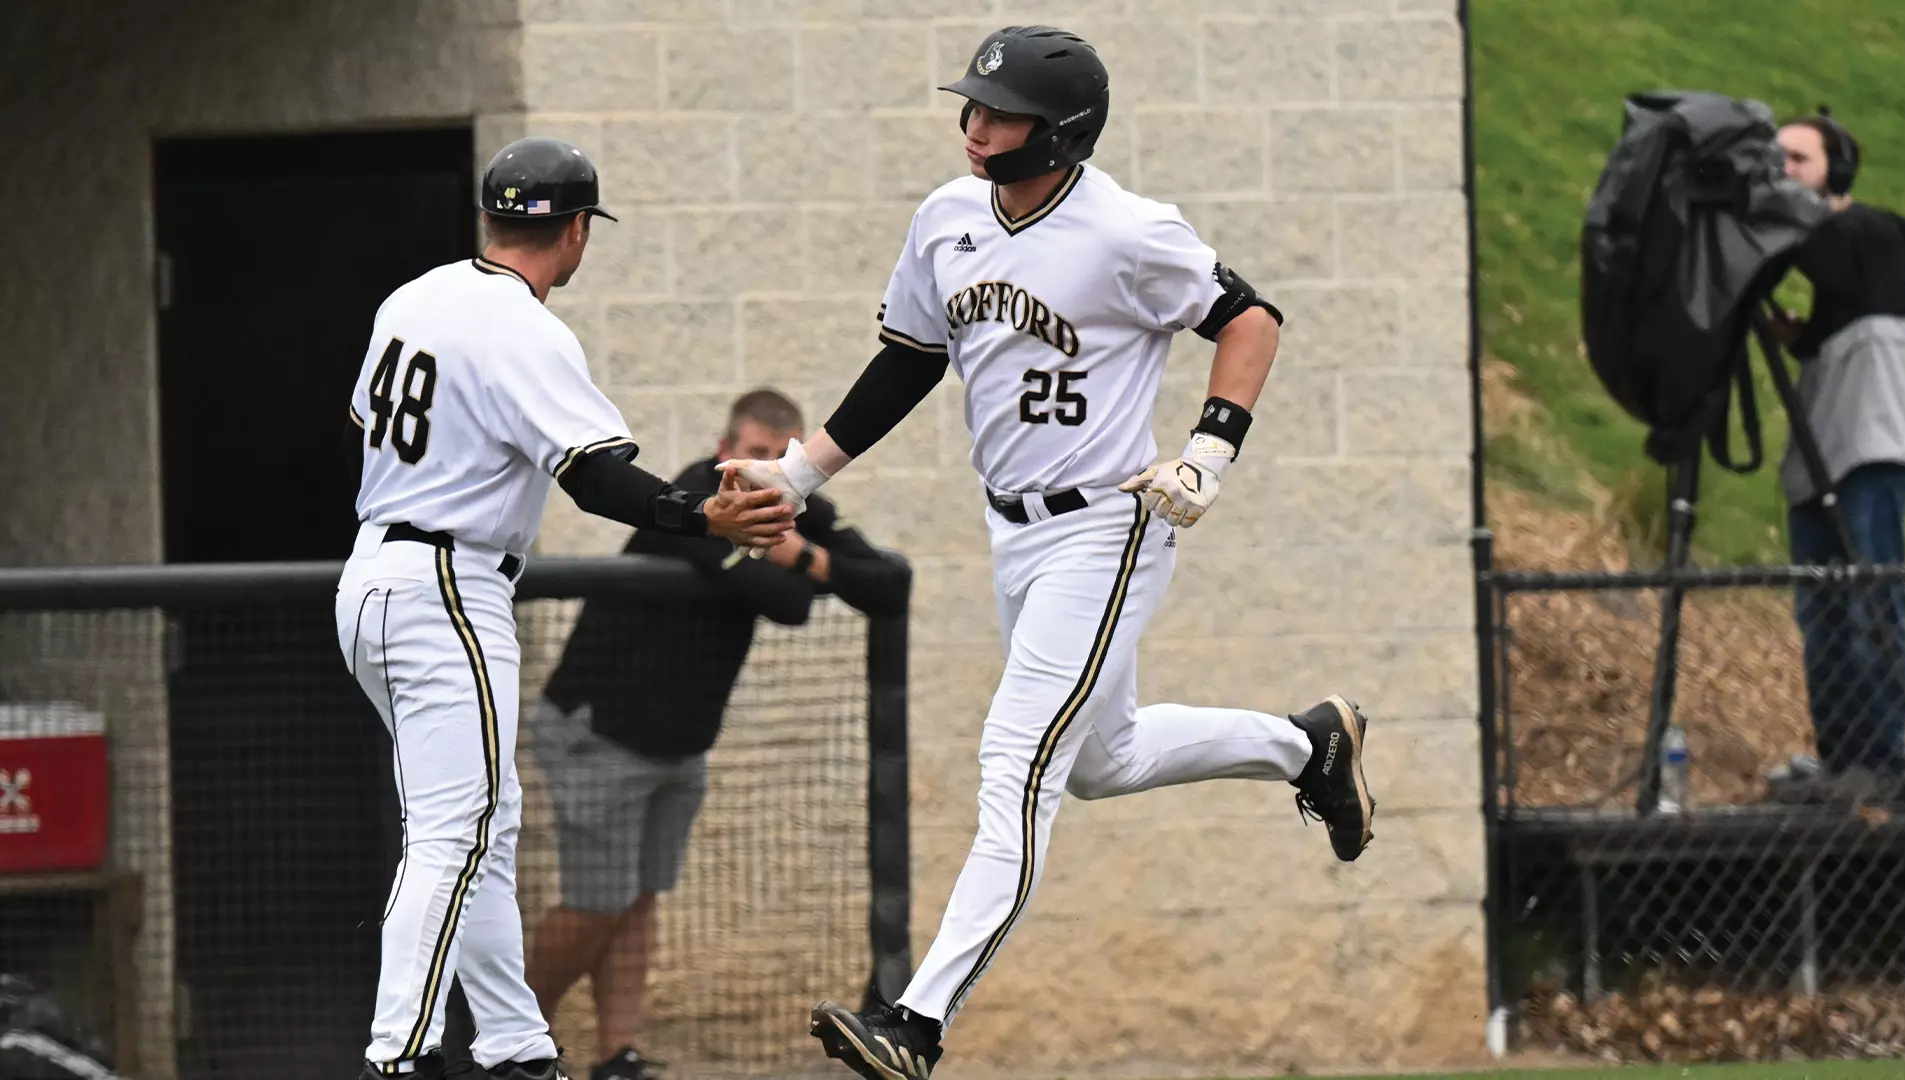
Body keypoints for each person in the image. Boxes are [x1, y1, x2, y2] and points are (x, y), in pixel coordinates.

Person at [719, 26, 1377, 1080]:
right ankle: (1308, 748)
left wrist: (1210, 450)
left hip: (1106, 525)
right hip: (1010, 530)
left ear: (1059, 131)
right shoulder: (946, 219)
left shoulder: (1127, 229)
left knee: (1016, 765)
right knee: (1101, 762)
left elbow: (1252, 319)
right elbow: (906, 363)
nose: (977, 123)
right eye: (974, 104)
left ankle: (918, 1022)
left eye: (1002, 110)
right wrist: (801, 475)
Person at [334, 136, 794, 1080]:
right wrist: (698, 512)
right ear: (576, 229)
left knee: (484, 823)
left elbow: (365, 428)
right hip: (448, 585)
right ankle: (400, 1052)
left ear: (494, 216)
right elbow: (595, 477)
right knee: (456, 831)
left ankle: (514, 1048)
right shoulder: (525, 326)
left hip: (375, 575)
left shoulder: (412, 298)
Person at [523, 388, 909, 1080]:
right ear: (726, 449)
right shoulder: (694, 500)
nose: (763, 470)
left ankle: (617, 1056)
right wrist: (812, 567)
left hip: (677, 743)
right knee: (596, 903)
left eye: (779, 459)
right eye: (753, 454)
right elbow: (787, 604)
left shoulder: (790, 502)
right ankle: (509, 1047)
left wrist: (804, 554)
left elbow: (885, 582)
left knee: (638, 900)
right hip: (599, 731)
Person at [1765, 108, 1905, 803]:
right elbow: (1840, 304)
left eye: (1798, 159)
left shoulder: (1870, 233)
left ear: (1840, 170)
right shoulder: (1836, 266)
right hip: (1821, 462)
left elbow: (1848, 259)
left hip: (1869, 453)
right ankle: (1845, 761)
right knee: (1822, 617)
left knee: (1870, 604)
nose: (1783, 173)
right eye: (1777, 161)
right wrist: (1800, 339)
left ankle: (1883, 763)